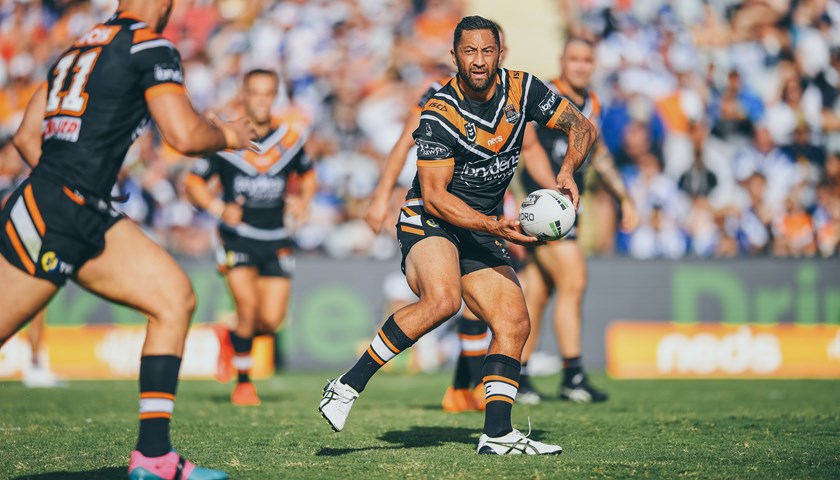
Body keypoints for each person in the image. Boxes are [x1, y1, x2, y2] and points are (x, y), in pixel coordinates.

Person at [0, 1, 256, 478]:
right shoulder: (149, 45)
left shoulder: (77, 49)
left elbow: (25, 138)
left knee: (173, 298)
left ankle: (155, 458)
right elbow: (182, 134)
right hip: (62, 210)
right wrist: (228, 135)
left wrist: (69, 186)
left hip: (67, 205)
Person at [320, 16, 596, 455]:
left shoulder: (524, 90)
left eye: (488, 51)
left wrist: (566, 172)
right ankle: (346, 386)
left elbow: (581, 126)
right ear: (455, 56)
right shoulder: (440, 112)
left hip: (483, 223)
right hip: (431, 221)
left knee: (513, 322)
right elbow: (433, 198)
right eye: (470, 51)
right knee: (443, 300)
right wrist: (493, 225)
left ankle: (498, 434)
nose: (479, 61)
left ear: (500, 54)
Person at [517, 37, 638, 404]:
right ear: (562, 61)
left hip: (568, 207)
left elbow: (597, 153)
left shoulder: (594, 104)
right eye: (575, 59)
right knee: (574, 280)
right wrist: (552, 193)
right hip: (546, 207)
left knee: (537, 293)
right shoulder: (546, 97)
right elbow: (528, 146)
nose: (581, 66)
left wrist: (623, 197)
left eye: (587, 60)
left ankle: (515, 375)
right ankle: (573, 376)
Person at [185, 69, 316, 406]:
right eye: (254, 93)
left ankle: (230, 339)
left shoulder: (289, 139)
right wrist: (217, 207)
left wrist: (303, 199)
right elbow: (194, 183)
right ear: (243, 95)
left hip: (277, 236)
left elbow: (308, 172)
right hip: (237, 236)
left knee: (270, 321)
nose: (261, 100)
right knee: (247, 307)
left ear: (275, 96)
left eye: (267, 93)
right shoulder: (225, 138)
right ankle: (244, 383)